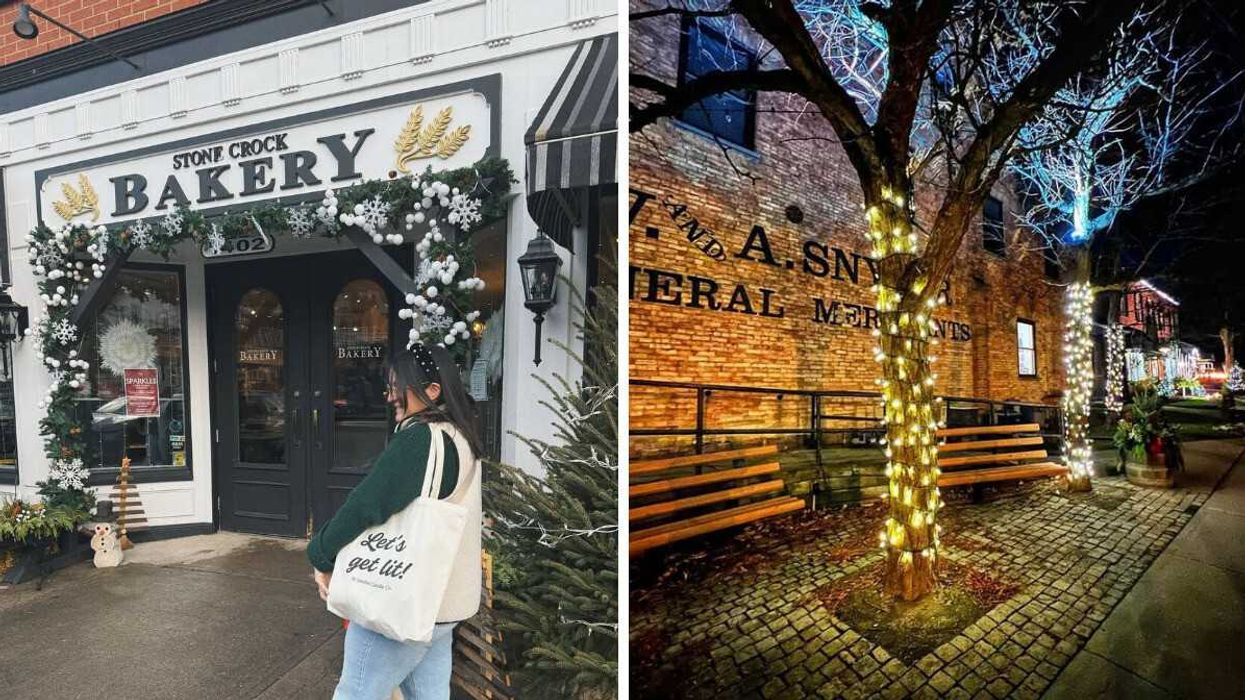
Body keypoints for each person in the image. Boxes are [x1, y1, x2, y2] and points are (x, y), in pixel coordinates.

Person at [307, 343, 484, 700]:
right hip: (442, 603)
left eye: (397, 388)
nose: (390, 397)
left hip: (403, 601)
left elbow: (366, 504)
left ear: (432, 390)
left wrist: (321, 553)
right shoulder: (461, 434)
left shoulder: (421, 440)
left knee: (355, 693)